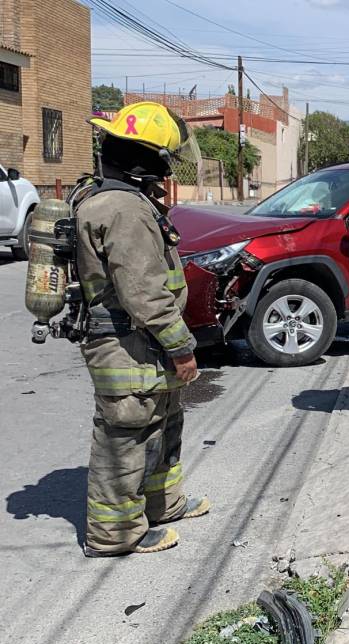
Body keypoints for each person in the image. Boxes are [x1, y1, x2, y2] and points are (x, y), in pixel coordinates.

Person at [76, 101, 209, 557]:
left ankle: (162, 504)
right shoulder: (123, 209)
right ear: (145, 160)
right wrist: (183, 348)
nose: (166, 171)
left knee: (164, 420)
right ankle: (114, 535)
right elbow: (144, 294)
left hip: (142, 342)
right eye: (163, 161)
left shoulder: (126, 201)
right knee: (126, 433)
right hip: (126, 344)